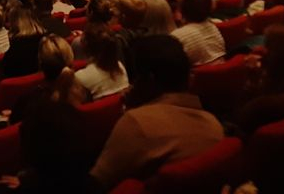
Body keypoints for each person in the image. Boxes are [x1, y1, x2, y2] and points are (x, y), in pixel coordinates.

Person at [89, 35, 223, 191]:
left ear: (149, 80)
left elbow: (97, 183)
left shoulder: (136, 123)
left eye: (137, 78)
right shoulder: (214, 125)